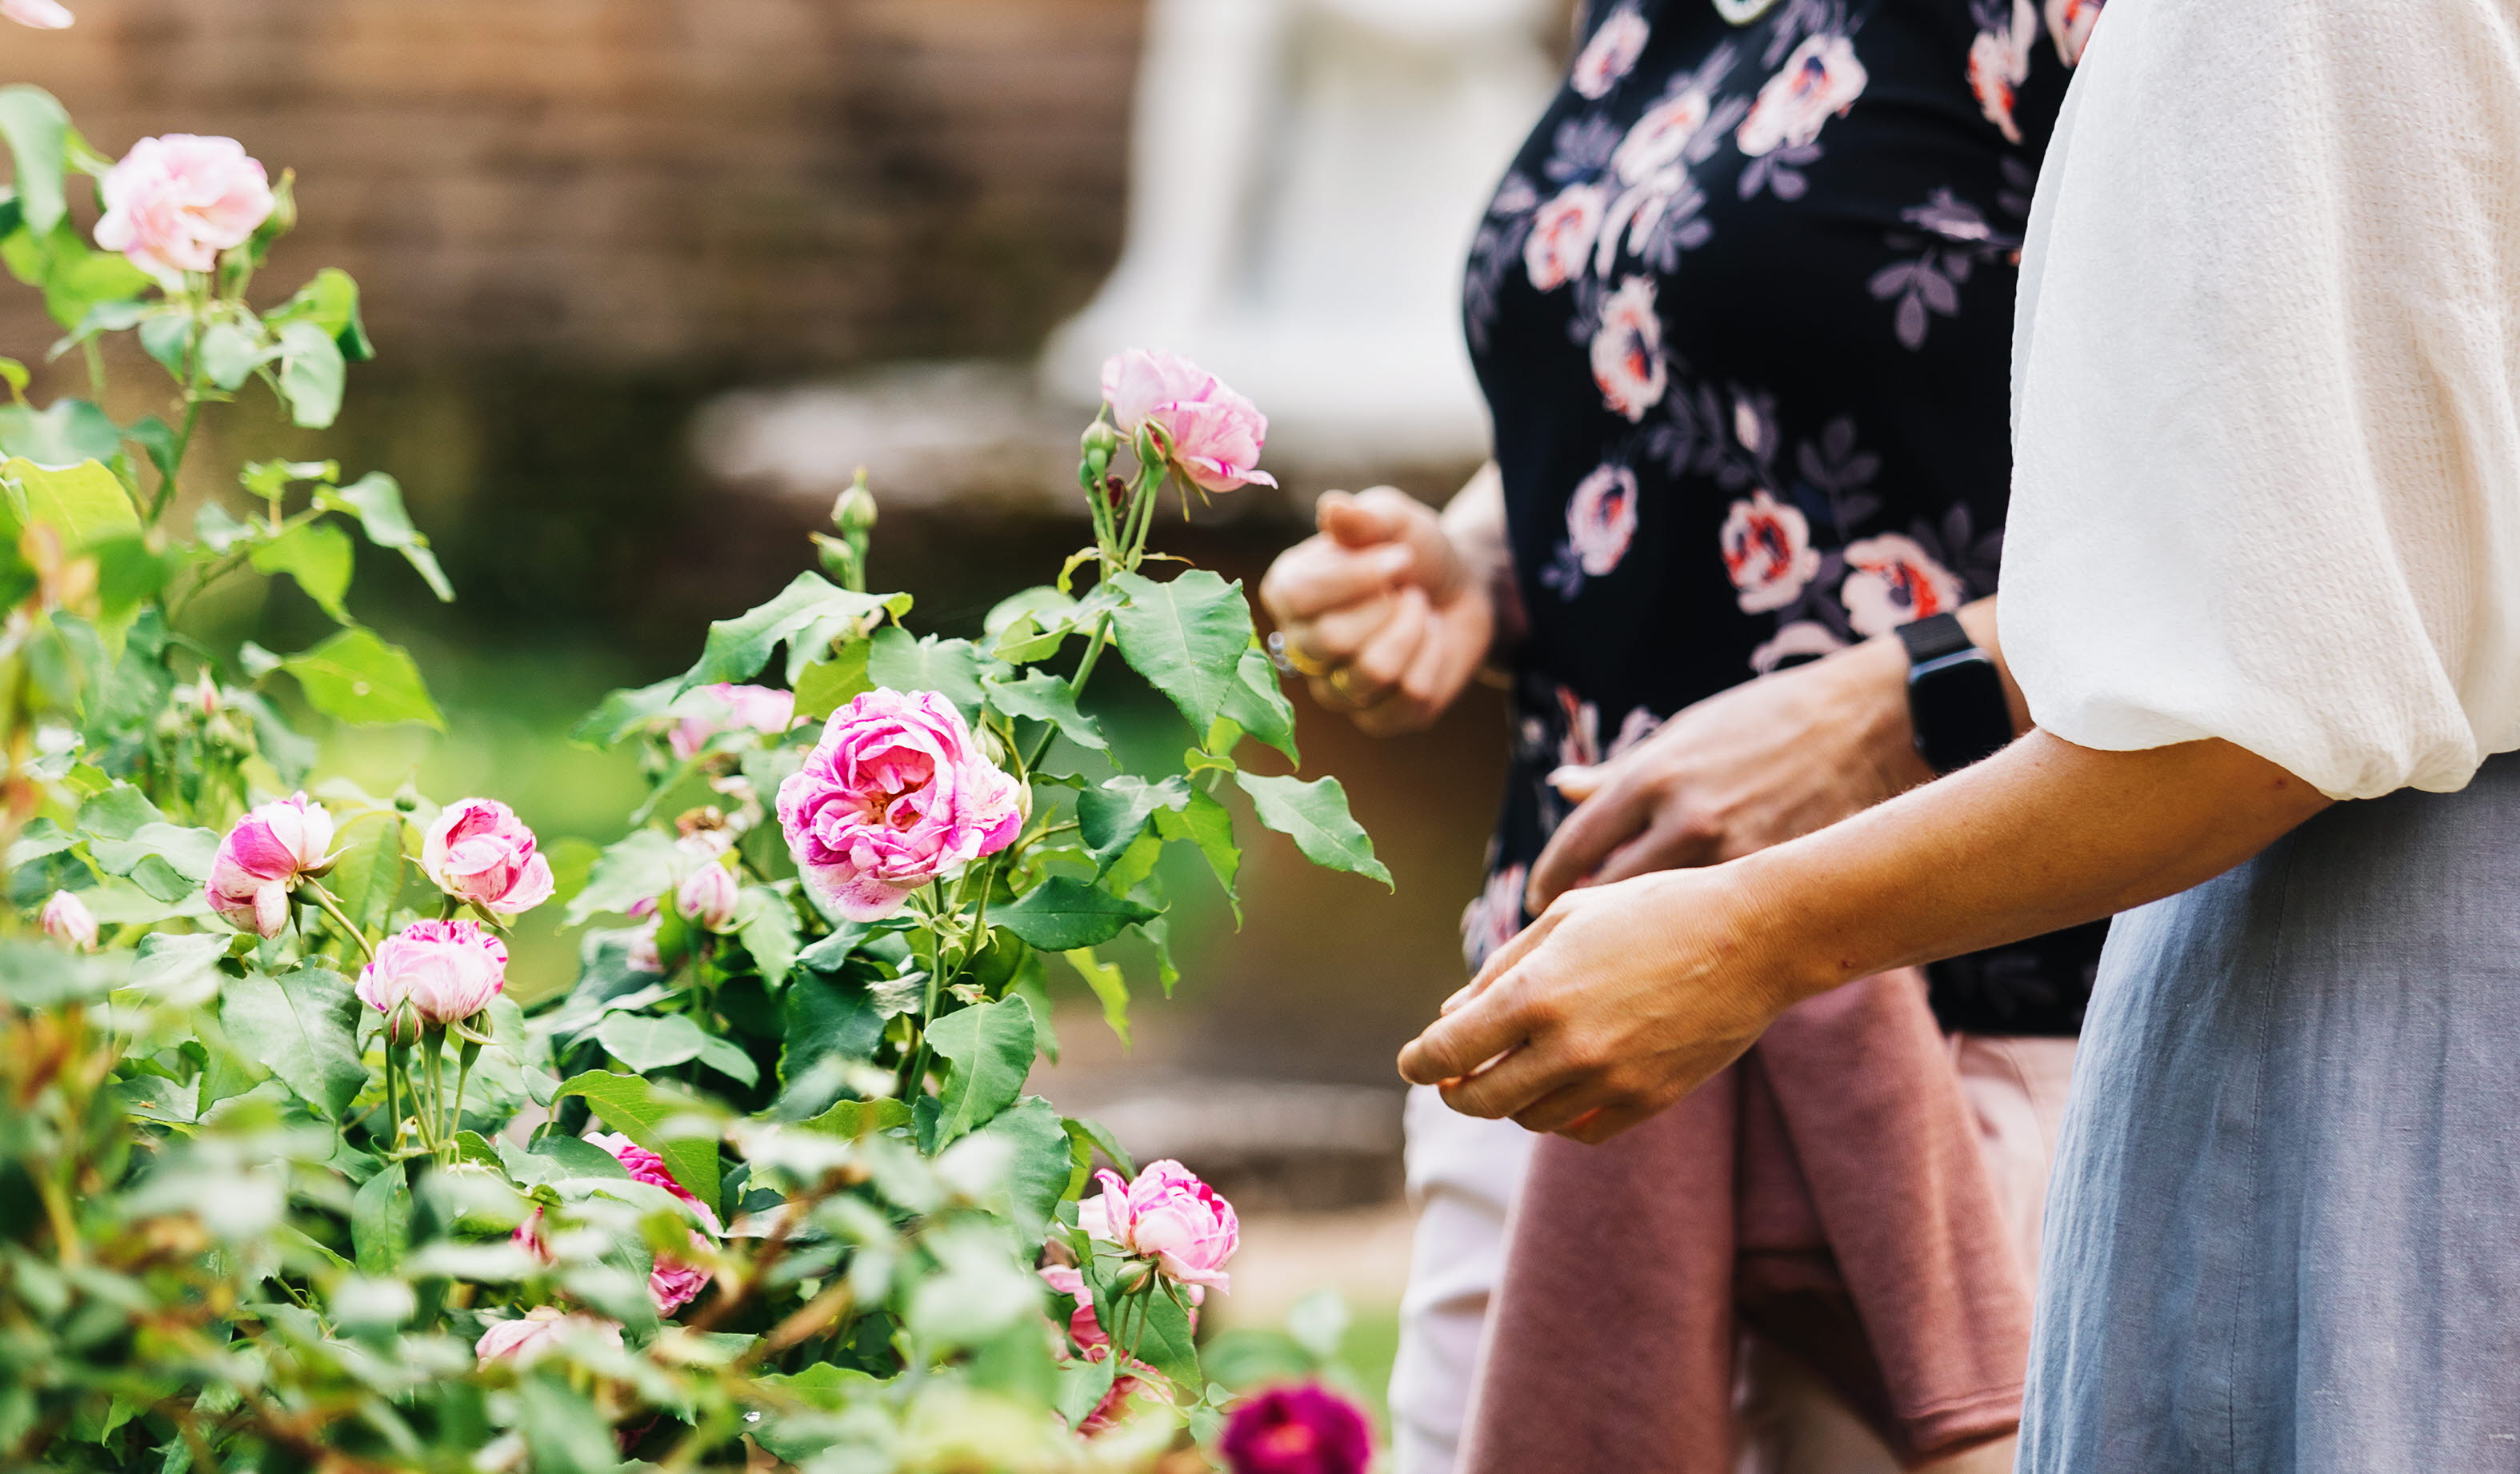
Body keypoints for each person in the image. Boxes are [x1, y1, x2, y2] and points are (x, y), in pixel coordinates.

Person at [1398, 0, 2520, 1469]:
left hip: (2035, 968)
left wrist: (1832, 803)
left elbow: (2287, 641)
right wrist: (1484, 559)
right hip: (1609, 962)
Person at [1260, 0, 2108, 1467]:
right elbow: (1685, 381)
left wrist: (1893, 706)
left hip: (1976, 1018)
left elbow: (2269, 542)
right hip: (1565, 1007)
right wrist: (1477, 566)